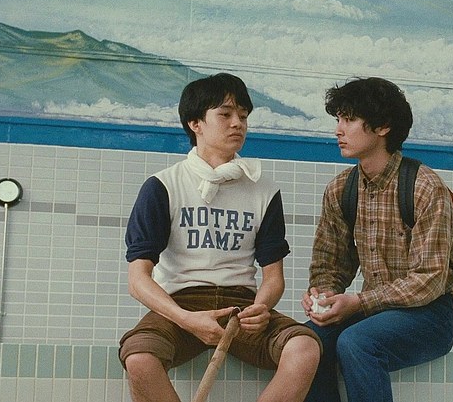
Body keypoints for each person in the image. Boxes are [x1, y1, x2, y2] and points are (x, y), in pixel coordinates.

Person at [120, 73, 321, 402]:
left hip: (241, 307)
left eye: (243, 115)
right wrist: (187, 319)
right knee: (140, 357)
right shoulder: (163, 185)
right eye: (225, 114)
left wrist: (261, 307)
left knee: (305, 347)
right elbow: (137, 279)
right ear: (195, 123)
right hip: (180, 306)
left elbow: (273, 278)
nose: (237, 123)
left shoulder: (265, 190)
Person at [301, 77, 453, 402]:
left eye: (349, 119)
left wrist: (359, 303)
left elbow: (429, 280)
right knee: (305, 341)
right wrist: (324, 295)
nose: (338, 130)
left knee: (357, 341)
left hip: (429, 316)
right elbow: (329, 265)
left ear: (383, 126)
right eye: (338, 119)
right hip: (372, 313)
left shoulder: (424, 187)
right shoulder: (340, 190)